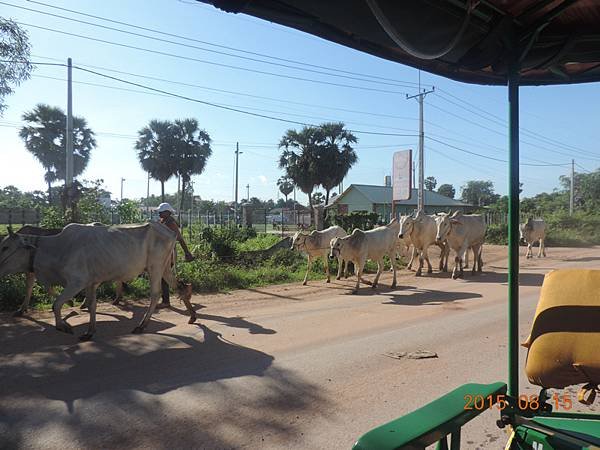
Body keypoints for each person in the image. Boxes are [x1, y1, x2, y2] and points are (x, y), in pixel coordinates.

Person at [155, 202, 194, 308]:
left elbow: (180, 238)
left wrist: (187, 252)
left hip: (168, 254)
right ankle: (185, 288)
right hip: (161, 253)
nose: (159, 213)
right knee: (166, 276)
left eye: (161, 211)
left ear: (167, 212)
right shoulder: (163, 221)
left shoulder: (171, 223)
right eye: (159, 211)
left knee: (164, 277)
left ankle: (166, 301)